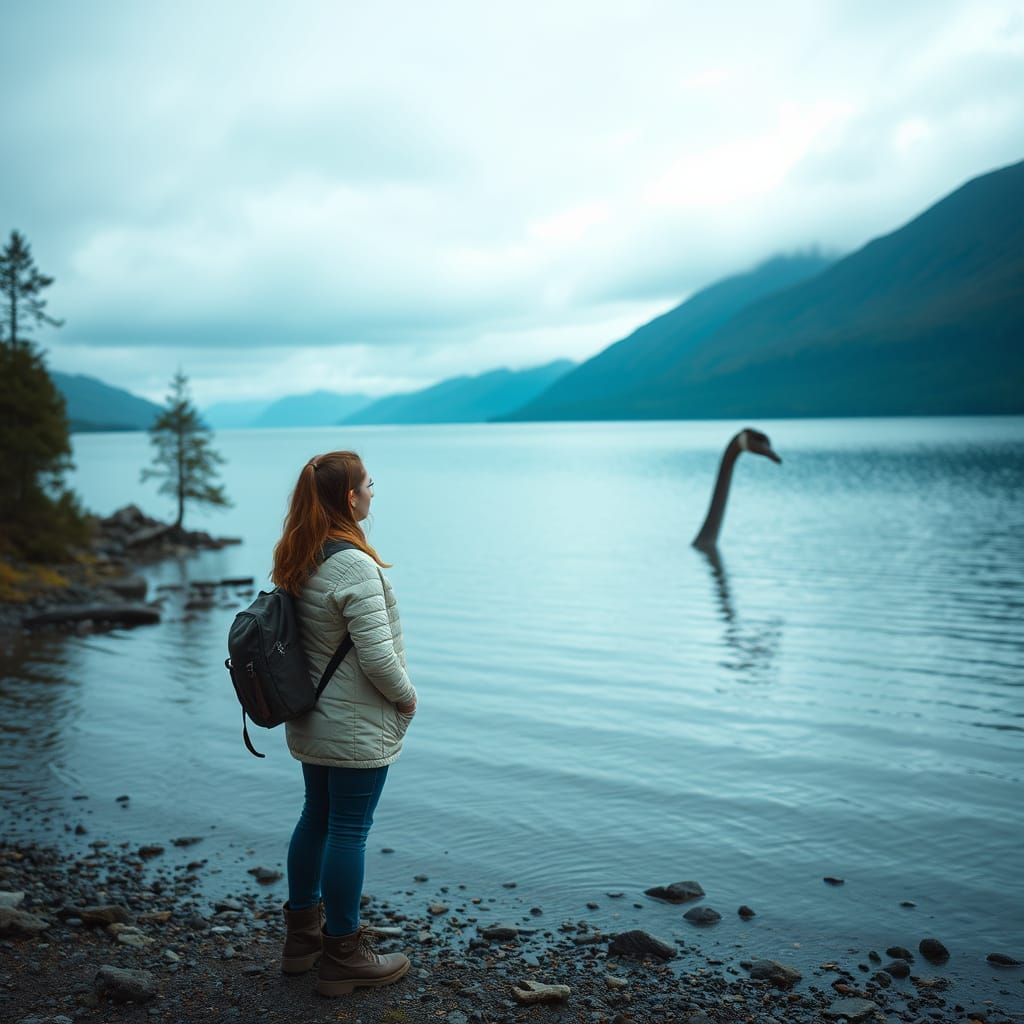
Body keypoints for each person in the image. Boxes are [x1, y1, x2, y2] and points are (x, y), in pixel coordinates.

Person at [270, 450, 417, 997]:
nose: (373, 493)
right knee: (349, 829)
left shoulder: (298, 555)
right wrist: (407, 699)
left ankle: (301, 939)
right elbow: (378, 660)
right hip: (353, 724)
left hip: (313, 718)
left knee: (316, 817)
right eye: (368, 485)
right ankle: (344, 954)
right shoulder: (354, 564)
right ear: (350, 498)